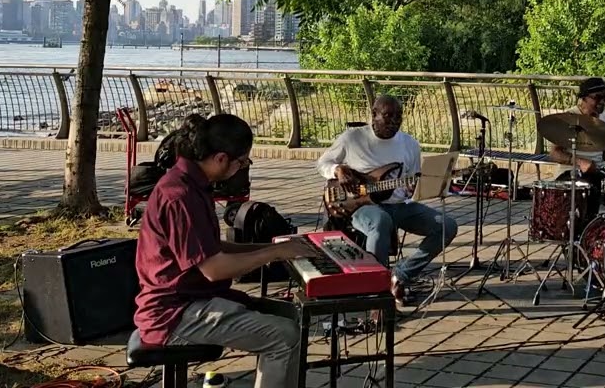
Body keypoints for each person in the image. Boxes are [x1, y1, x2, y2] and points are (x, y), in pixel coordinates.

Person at [134, 113, 318, 388]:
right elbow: (214, 268)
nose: (242, 169)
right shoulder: (180, 196)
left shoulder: (190, 183)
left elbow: (213, 246)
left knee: (290, 315)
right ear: (221, 158)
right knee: (284, 336)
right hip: (175, 314)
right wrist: (275, 254)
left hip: (190, 300)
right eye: (242, 162)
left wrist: (273, 245)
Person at [316, 95, 458, 305]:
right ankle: (377, 290)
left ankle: (400, 276)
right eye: (388, 116)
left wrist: (414, 189)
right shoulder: (352, 138)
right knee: (381, 222)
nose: (394, 122)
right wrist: (337, 170)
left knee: (447, 226)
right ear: (374, 115)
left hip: (399, 206)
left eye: (398, 117)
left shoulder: (409, 144)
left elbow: (414, 181)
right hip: (360, 206)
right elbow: (322, 163)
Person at [547, 77, 605, 220]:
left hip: (600, 173)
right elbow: (554, 153)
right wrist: (579, 162)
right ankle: (586, 230)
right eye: (597, 98)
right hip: (571, 174)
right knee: (591, 191)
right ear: (583, 98)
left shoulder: (604, 118)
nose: (602, 102)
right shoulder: (569, 118)